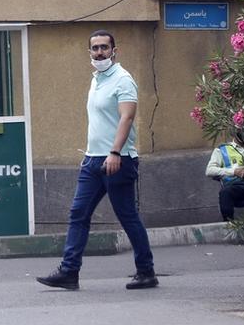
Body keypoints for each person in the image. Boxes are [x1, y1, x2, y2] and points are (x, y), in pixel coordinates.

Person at [37, 30, 158, 291]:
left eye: (104, 47)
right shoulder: (96, 79)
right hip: (92, 162)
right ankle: (69, 272)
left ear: (115, 50)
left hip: (118, 160)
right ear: (89, 52)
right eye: (95, 48)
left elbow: (126, 118)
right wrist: (93, 154)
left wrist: (115, 152)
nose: (100, 52)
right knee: (78, 214)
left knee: (127, 216)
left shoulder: (123, 80)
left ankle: (146, 271)